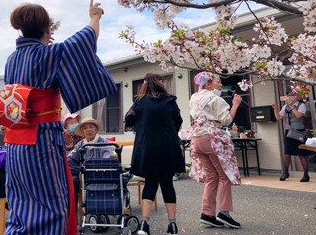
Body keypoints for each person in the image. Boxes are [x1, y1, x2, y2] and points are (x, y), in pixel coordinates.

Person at [0, 0, 117, 235]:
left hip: (14, 144)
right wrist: (95, 16)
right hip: (41, 141)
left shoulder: (11, 60)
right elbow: (86, 40)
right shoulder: (50, 54)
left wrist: (43, 41)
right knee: (52, 205)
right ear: (47, 29)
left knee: (21, 205)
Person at [124, 73, 185, 235]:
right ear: (161, 83)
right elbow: (178, 122)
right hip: (168, 147)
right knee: (167, 184)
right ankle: (172, 225)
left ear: (145, 83)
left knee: (150, 183)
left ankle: (144, 224)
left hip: (148, 148)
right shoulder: (171, 101)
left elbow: (128, 120)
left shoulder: (140, 101)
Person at [188, 72, 242, 229]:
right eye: (218, 82)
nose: (220, 84)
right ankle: (224, 213)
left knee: (211, 177)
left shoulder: (194, 98)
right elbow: (226, 120)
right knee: (224, 175)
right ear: (208, 85)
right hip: (211, 138)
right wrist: (236, 105)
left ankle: (207, 214)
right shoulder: (215, 99)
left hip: (197, 139)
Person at [67, 117, 111, 206]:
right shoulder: (80, 144)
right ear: (83, 131)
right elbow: (70, 159)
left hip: (99, 175)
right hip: (83, 175)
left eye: (91, 127)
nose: (88, 130)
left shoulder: (103, 142)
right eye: (85, 128)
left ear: (96, 129)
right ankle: (73, 213)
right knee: (72, 181)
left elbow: (108, 158)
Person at [271, 91, 310, 182]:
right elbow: (278, 118)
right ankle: (285, 172)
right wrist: (275, 108)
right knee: (287, 154)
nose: (290, 97)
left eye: (292, 95)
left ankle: (306, 175)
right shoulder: (285, 107)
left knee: (301, 154)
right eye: (289, 95)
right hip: (289, 132)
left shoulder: (301, 105)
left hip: (299, 131)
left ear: (296, 96)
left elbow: (298, 116)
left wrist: (291, 105)